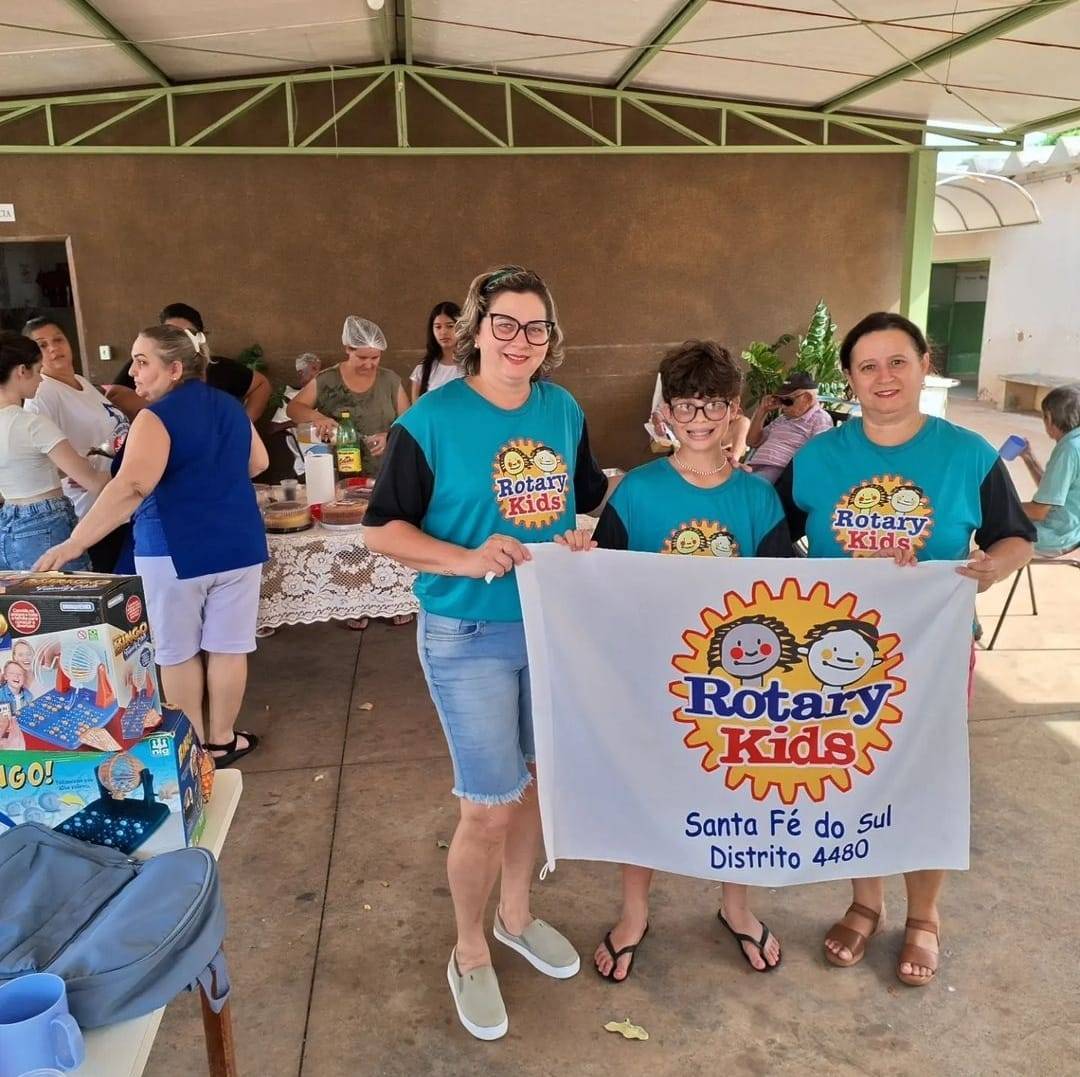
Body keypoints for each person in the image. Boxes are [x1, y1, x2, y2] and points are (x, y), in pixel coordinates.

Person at [363, 265, 614, 1041]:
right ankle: (469, 949)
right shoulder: (431, 421)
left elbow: (583, 493)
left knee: (534, 782)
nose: (520, 341)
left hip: (549, 624)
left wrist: (581, 528)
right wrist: (467, 557)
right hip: (468, 632)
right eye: (505, 324)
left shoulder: (561, 408)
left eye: (536, 327)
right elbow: (381, 530)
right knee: (485, 804)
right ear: (474, 330)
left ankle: (514, 915)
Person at [775, 311, 1034, 987]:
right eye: (867, 366)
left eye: (898, 361)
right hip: (840, 657)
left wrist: (990, 567)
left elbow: (1015, 536)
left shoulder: (967, 453)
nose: (884, 377)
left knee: (926, 780)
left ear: (925, 366)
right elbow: (769, 541)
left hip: (935, 647)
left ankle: (924, 915)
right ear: (850, 381)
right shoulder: (817, 458)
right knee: (857, 775)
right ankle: (865, 902)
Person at [560, 340, 793, 983]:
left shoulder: (757, 501)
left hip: (738, 685)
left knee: (740, 796)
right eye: (687, 404)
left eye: (713, 404)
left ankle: (737, 907)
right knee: (647, 791)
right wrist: (580, 552)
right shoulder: (636, 492)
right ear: (667, 409)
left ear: (733, 409)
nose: (698, 418)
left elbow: (785, 600)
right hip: (652, 678)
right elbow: (602, 578)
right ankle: (634, 912)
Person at [34, 325, 269, 768]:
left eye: (143, 361)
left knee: (177, 652)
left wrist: (74, 543)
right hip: (238, 542)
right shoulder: (229, 406)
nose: (133, 370)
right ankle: (222, 740)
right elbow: (258, 462)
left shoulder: (156, 417)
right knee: (228, 647)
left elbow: (133, 486)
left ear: (175, 368)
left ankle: (195, 748)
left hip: (173, 548)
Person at [21, 318, 130, 571]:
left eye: (58, 339)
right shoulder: (43, 393)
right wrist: (74, 469)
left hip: (115, 502)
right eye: (42, 345)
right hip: (89, 510)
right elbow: (36, 453)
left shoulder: (82, 382)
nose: (53, 348)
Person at [0, 331, 108, 571]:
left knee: (22, 608)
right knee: (73, 605)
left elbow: (22, 469)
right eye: (38, 371)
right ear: (21, 371)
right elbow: (94, 483)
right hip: (47, 528)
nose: (41, 380)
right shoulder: (33, 423)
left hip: (6, 528)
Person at [287, 316, 409, 480]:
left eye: (375, 358)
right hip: (338, 476)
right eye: (362, 358)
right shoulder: (328, 380)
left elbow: (409, 423)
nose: (368, 364)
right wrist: (317, 417)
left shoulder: (389, 381)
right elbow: (294, 408)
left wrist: (390, 436)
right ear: (348, 349)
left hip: (384, 474)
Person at [106, 303, 272, 423]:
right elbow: (113, 397)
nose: (134, 371)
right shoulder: (141, 370)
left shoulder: (221, 370)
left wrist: (246, 423)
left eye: (185, 335)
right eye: (170, 334)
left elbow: (261, 384)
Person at [1017, 385, 1080, 556]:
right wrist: (1028, 457)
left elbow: (1039, 511)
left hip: (1056, 536)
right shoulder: (1075, 443)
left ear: (1049, 417)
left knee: (987, 527)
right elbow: (1053, 493)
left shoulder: (1068, 449)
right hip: (1072, 531)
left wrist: (1004, 505)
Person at [745, 371, 833, 483]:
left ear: (807, 398)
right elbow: (752, 442)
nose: (782, 406)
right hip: (755, 466)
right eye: (780, 400)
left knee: (747, 489)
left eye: (787, 401)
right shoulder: (783, 418)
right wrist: (762, 411)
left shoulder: (820, 419)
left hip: (780, 472)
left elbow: (819, 454)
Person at [410, 301, 463, 402]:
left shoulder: (475, 367)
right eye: (438, 327)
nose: (443, 332)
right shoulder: (422, 370)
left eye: (450, 326)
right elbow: (417, 412)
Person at [270, 352, 322, 425]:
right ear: (301, 373)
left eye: (319, 369)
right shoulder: (290, 395)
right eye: (314, 368)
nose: (319, 372)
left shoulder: (321, 392)